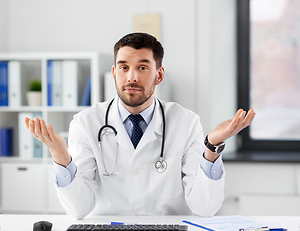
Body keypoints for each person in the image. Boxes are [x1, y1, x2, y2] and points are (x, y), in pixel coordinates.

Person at [25, 33, 256, 220]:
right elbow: (78, 209)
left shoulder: (185, 122)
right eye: (124, 68)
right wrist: (60, 155)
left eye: (143, 67)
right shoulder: (86, 123)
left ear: (159, 74)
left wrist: (212, 147)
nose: (131, 77)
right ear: (114, 73)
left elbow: (205, 208)